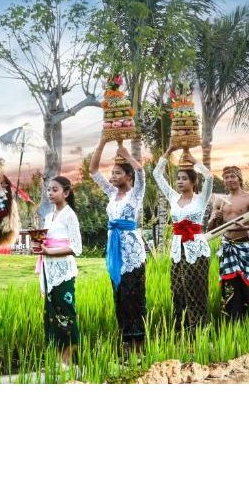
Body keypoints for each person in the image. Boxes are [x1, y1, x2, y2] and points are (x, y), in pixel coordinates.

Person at [90, 136, 147, 351]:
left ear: (128, 176)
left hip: (132, 254)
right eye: (112, 173)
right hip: (115, 254)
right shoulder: (112, 194)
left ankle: (139, 343)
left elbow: (141, 172)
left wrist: (126, 154)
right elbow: (93, 171)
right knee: (120, 297)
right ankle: (125, 342)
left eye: (117, 173)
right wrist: (102, 143)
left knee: (134, 297)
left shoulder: (135, 194)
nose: (112, 176)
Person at [152, 145, 213, 333]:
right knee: (178, 290)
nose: (179, 181)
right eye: (178, 178)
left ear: (194, 181)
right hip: (177, 250)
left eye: (184, 178)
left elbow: (209, 177)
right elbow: (156, 174)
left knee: (196, 290)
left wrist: (193, 160)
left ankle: (200, 332)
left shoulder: (201, 199)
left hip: (196, 250)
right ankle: (182, 330)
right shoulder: (173, 197)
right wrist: (169, 151)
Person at [33, 175, 82, 368]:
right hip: (49, 272)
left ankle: (68, 360)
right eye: (49, 190)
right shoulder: (48, 216)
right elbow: (46, 242)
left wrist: (50, 252)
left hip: (63, 272)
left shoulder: (70, 215)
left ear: (66, 193)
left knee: (66, 314)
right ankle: (56, 360)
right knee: (51, 316)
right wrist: (40, 246)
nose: (50, 193)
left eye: (55, 190)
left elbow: (76, 248)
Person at [208, 166, 249, 321]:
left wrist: (246, 227)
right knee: (229, 282)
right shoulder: (219, 201)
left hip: (245, 245)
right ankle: (232, 319)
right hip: (227, 246)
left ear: (239, 178)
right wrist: (215, 218)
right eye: (226, 177)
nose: (229, 180)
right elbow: (211, 229)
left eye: (232, 176)